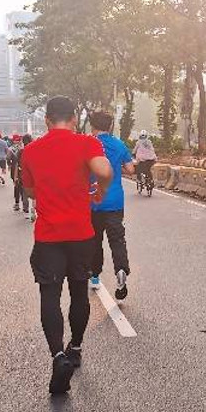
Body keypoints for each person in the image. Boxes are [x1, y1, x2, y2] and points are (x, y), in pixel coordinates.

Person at [22, 96, 112, 393]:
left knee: (49, 296)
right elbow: (104, 171)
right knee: (78, 292)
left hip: (48, 237)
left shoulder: (31, 150)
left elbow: (31, 191)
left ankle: (57, 355)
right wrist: (98, 191)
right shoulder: (87, 144)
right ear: (74, 119)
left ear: (47, 120)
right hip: (80, 234)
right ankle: (75, 347)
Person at [88, 112, 134, 300]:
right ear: (110, 126)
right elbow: (131, 169)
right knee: (117, 239)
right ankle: (121, 270)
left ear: (92, 126)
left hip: (93, 201)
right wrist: (116, 168)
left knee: (95, 240)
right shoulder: (118, 144)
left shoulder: (88, 144)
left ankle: (95, 275)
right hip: (115, 202)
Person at [8, 134, 25, 211]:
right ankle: (25, 204)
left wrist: (9, 164)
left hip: (14, 169)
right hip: (24, 169)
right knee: (24, 186)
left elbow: (8, 158)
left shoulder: (11, 149)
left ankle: (17, 204)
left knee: (16, 186)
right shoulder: (23, 148)